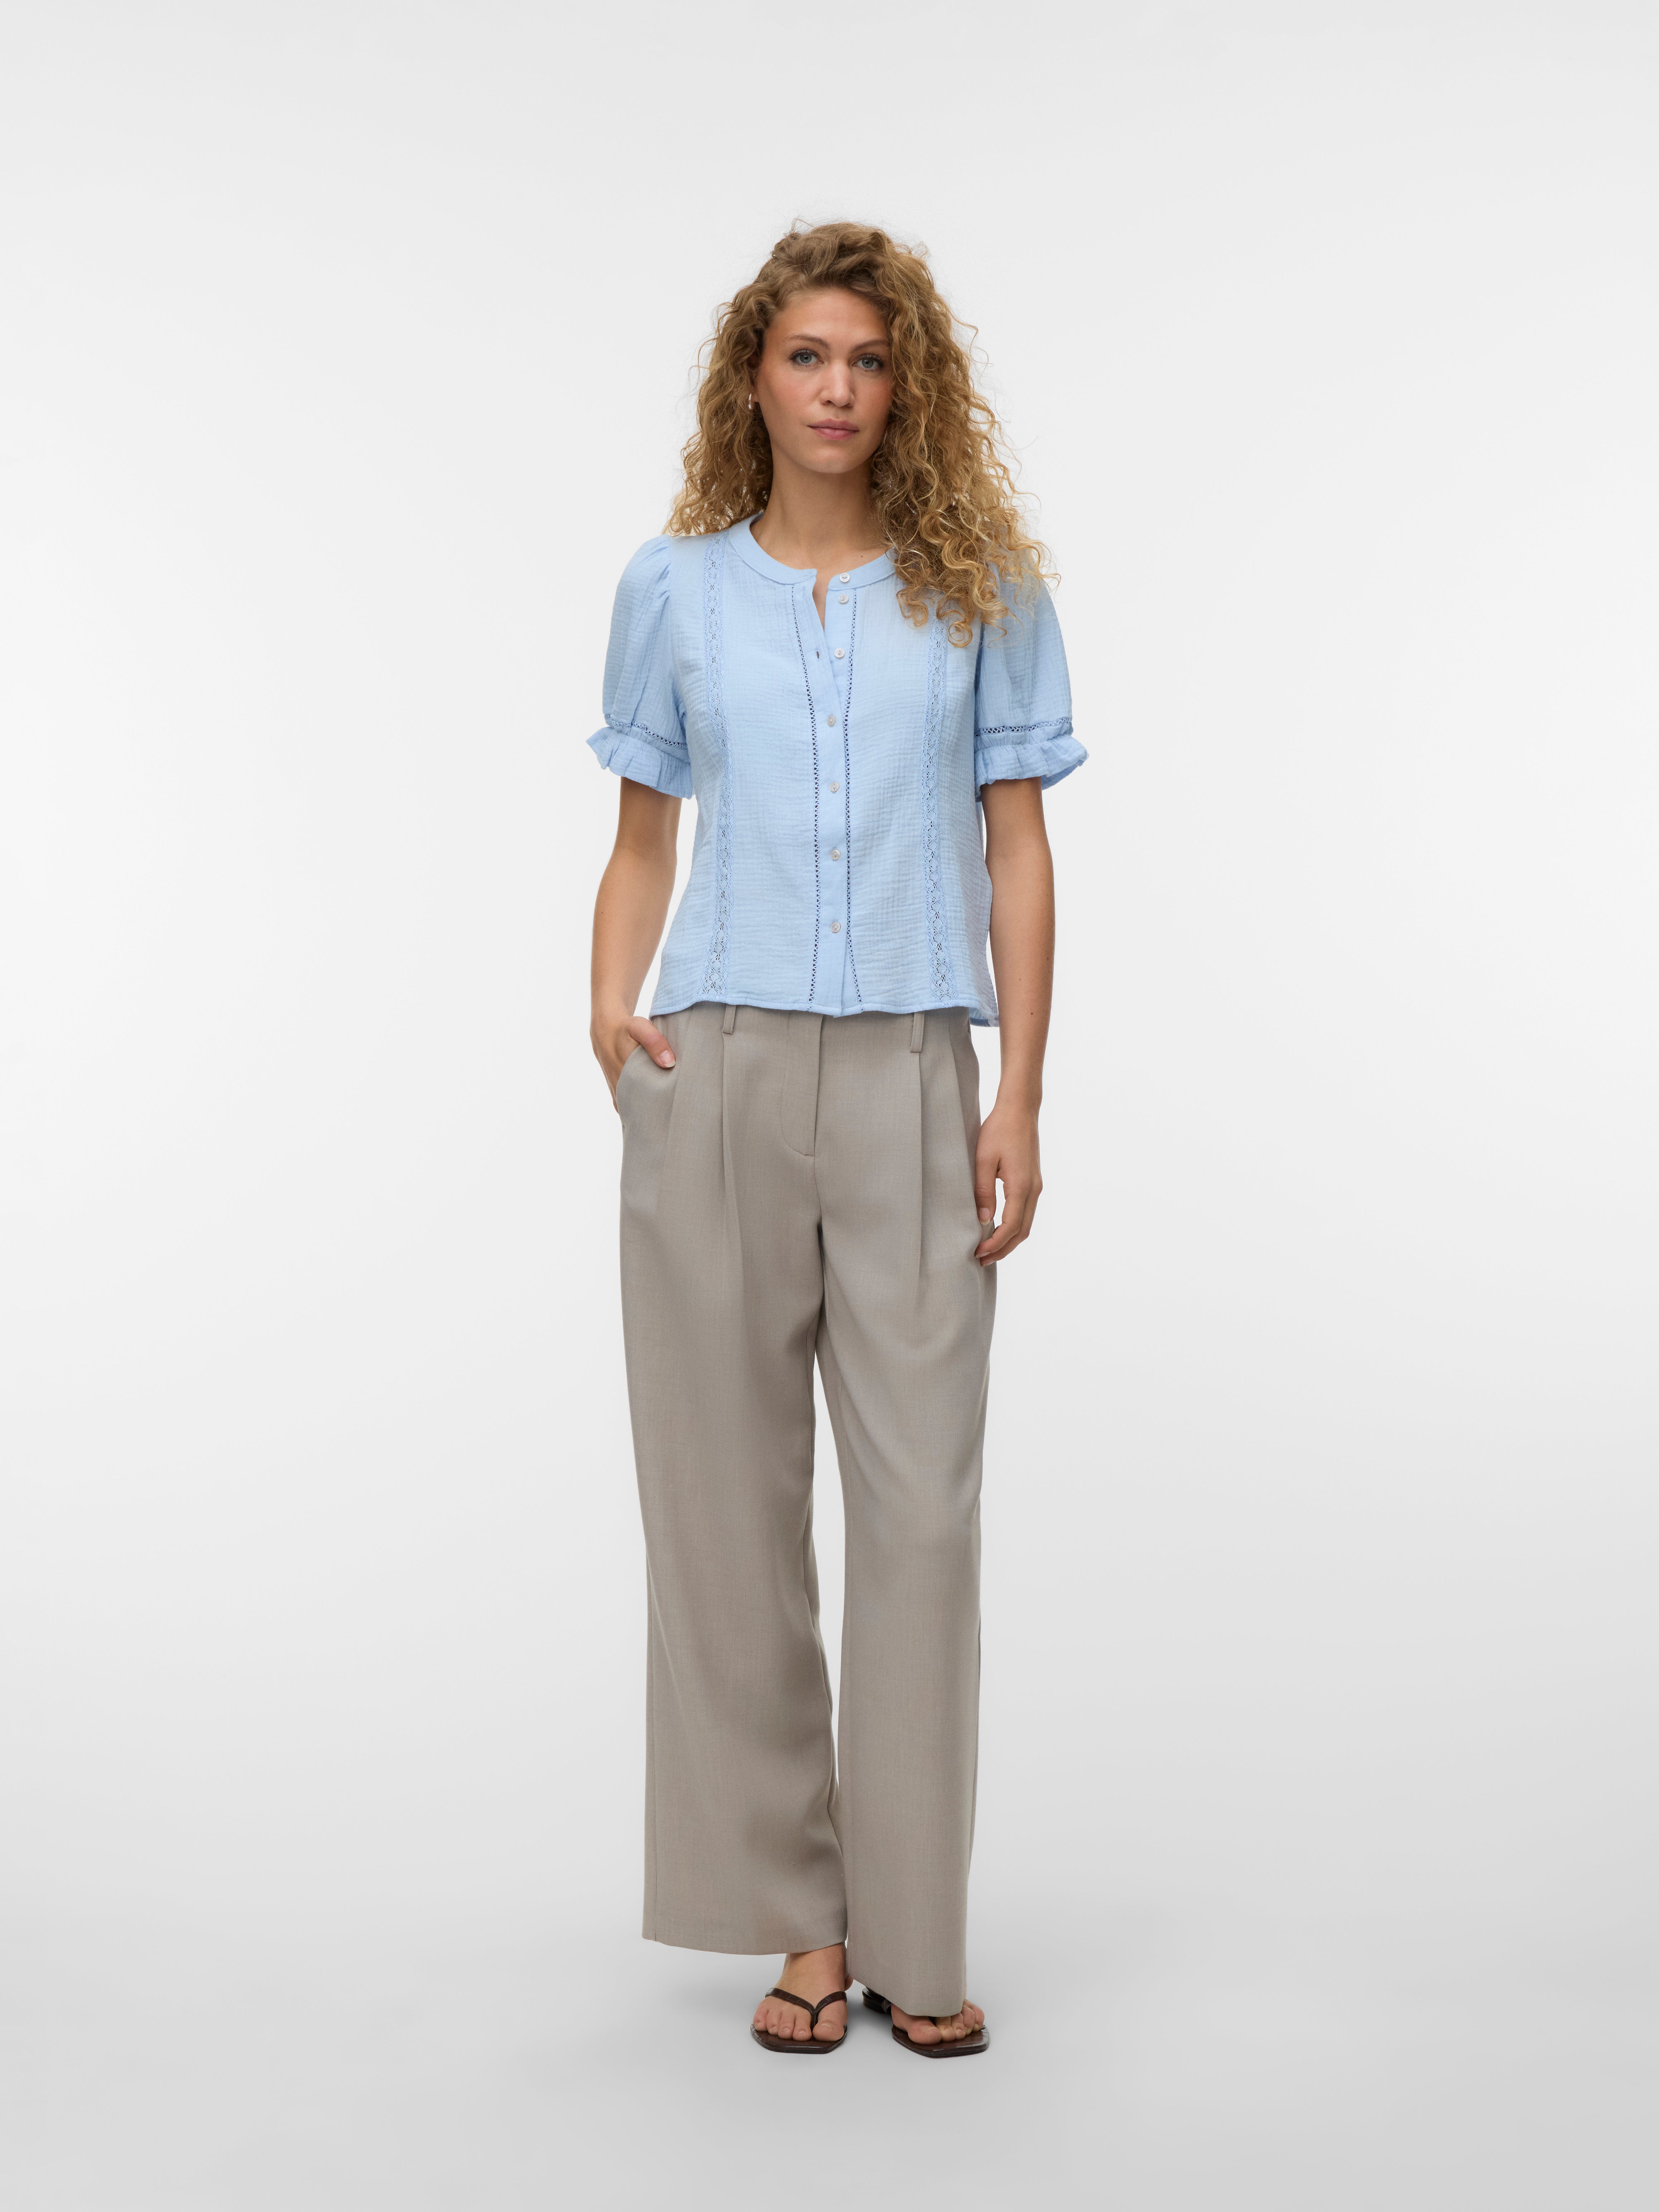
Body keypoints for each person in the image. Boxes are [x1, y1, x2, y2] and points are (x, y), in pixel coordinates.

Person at [586, 221, 1085, 2057]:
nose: (838, 389)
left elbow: (1018, 848)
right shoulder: (674, 588)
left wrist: (1018, 1091)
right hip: (712, 1064)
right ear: (755, 376)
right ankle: (801, 1925)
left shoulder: (983, 588)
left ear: (907, 385)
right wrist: (609, 1008)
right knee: (727, 1513)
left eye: (871, 360)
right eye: (807, 355)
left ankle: (917, 1937)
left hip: (911, 1076)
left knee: (922, 1512)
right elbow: (643, 836)